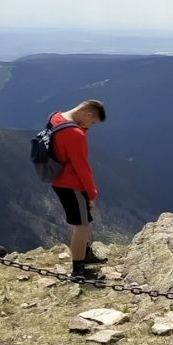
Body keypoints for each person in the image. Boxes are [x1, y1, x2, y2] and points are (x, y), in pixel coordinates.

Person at [48, 100, 107, 278]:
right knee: (82, 226)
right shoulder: (75, 133)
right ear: (87, 114)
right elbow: (82, 167)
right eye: (93, 122)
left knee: (81, 221)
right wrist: (92, 193)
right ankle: (78, 269)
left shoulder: (55, 117)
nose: (91, 126)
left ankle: (84, 254)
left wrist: (83, 128)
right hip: (72, 184)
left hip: (56, 179)